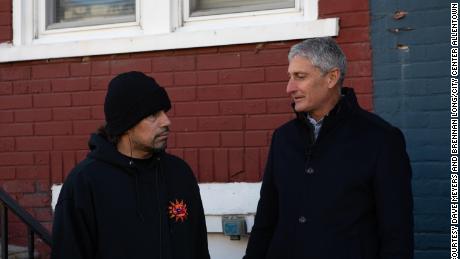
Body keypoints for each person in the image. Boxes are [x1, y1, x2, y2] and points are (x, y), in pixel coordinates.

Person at [243, 37, 413, 259]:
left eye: (300, 77)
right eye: (290, 77)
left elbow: (396, 233)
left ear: (332, 77)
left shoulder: (380, 139)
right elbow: (267, 218)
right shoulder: (283, 138)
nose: (289, 88)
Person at [51, 71, 210, 259]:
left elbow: (198, 248)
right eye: (153, 115)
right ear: (126, 124)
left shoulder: (179, 174)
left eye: (164, 112)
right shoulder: (85, 183)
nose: (166, 122)